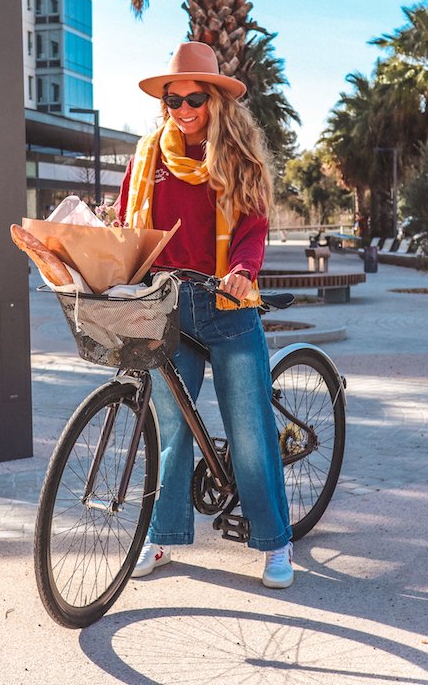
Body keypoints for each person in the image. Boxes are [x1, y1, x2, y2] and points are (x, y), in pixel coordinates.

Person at [114, 41, 294, 589]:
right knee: (170, 430)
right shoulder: (148, 157)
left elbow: (253, 226)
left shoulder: (236, 159)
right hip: (167, 304)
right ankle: (163, 538)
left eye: (195, 97)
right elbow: (127, 221)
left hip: (227, 304)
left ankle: (275, 542)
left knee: (250, 432)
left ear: (214, 99)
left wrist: (243, 268)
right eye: (174, 99)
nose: (184, 108)